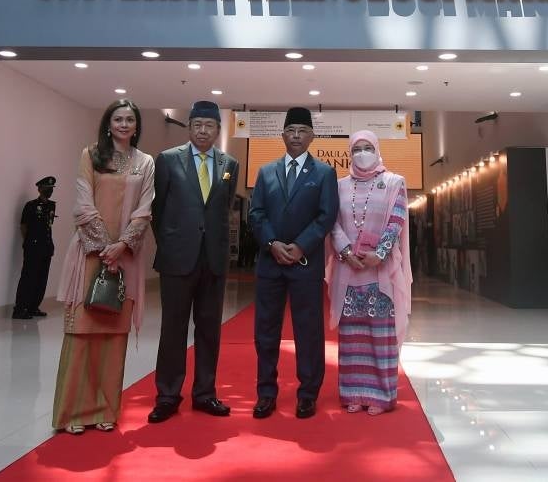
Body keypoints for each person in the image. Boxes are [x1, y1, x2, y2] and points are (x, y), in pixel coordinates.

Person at [53, 99, 155, 434]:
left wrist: (122, 245)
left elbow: (145, 209)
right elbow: (82, 204)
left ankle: (105, 410)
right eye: (118, 119)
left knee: (114, 335)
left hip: (126, 257)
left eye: (129, 119)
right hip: (89, 254)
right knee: (81, 332)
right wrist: (104, 247)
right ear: (108, 123)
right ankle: (73, 414)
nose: (124, 124)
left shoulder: (145, 163)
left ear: (137, 126)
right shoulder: (91, 155)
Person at [148, 100, 239, 423]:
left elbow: (222, 209)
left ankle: (205, 393)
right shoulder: (168, 160)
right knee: (172, 329)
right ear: (189, 128)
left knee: (209, 330)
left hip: (212, 261)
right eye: (197, 125)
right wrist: (172, 244)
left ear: (217, 130)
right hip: (176, 259)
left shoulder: (230, 163)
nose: (203, 131)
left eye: (210, 126)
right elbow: (157, 213)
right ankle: (168, 395)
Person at [248, 107, 338, 420]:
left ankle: (308, 394)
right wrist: (272, 244)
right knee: (266, 331)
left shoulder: (324, 174)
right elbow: (255, 213)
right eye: (291, 130)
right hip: (270, 263)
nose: (296, 136)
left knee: (308, 331)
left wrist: (301, 246)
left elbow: (326, 216)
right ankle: (266, 393)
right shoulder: (266, 171)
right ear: (282, 135)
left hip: (305, 264)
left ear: (312, 136)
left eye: (302, 130)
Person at [326, 131, 412, 415]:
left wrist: (380, 254)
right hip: (348, 272)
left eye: (367, 148)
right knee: (352, 338)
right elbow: (332, 223)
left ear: (377, 149)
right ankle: (353, 392)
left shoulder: (393, 182)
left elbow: (396, 221)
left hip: (380, 273)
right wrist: (346, 252)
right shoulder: (338, 186)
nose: (362, 154)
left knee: (379, 336)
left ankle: (379, 396)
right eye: (356, 149)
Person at [13, 176, 57, 319]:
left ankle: (33, 306)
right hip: (33, 246)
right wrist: (29, 241)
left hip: (46, 246)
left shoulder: (51, 205)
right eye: (46, 188)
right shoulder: (30, 205)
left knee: (41, 278)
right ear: (39, 189)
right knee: (28, 277)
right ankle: (20, 308)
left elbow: (49, 227)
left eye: (51, 188)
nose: (49, 190)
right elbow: (23, 226)